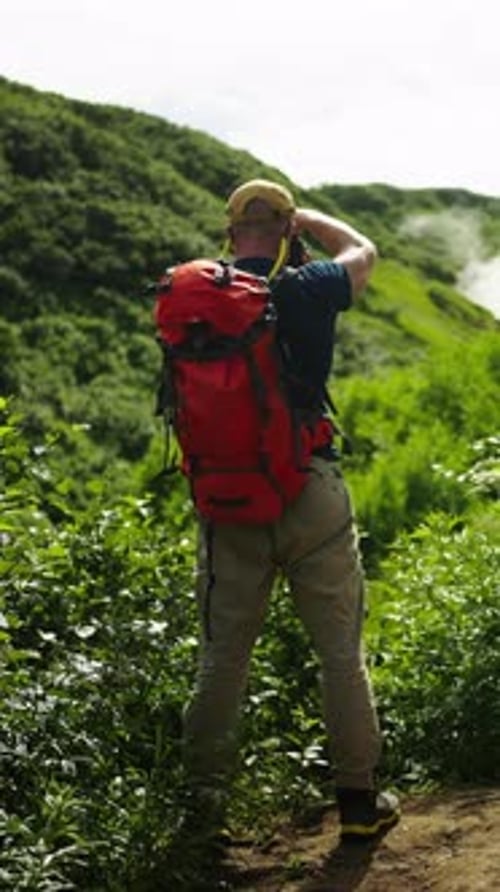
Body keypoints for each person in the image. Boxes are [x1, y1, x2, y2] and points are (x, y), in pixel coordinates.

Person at [181, 178, 400, 846]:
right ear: (288, 232)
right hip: (309, 488)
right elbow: (364, 248)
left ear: (227, 233)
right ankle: (359, 805)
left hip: (226, 498)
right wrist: (306, 222)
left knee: (223, 659)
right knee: (340, 652)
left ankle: (201, 816)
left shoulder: (198, 301)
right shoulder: (306, 289)